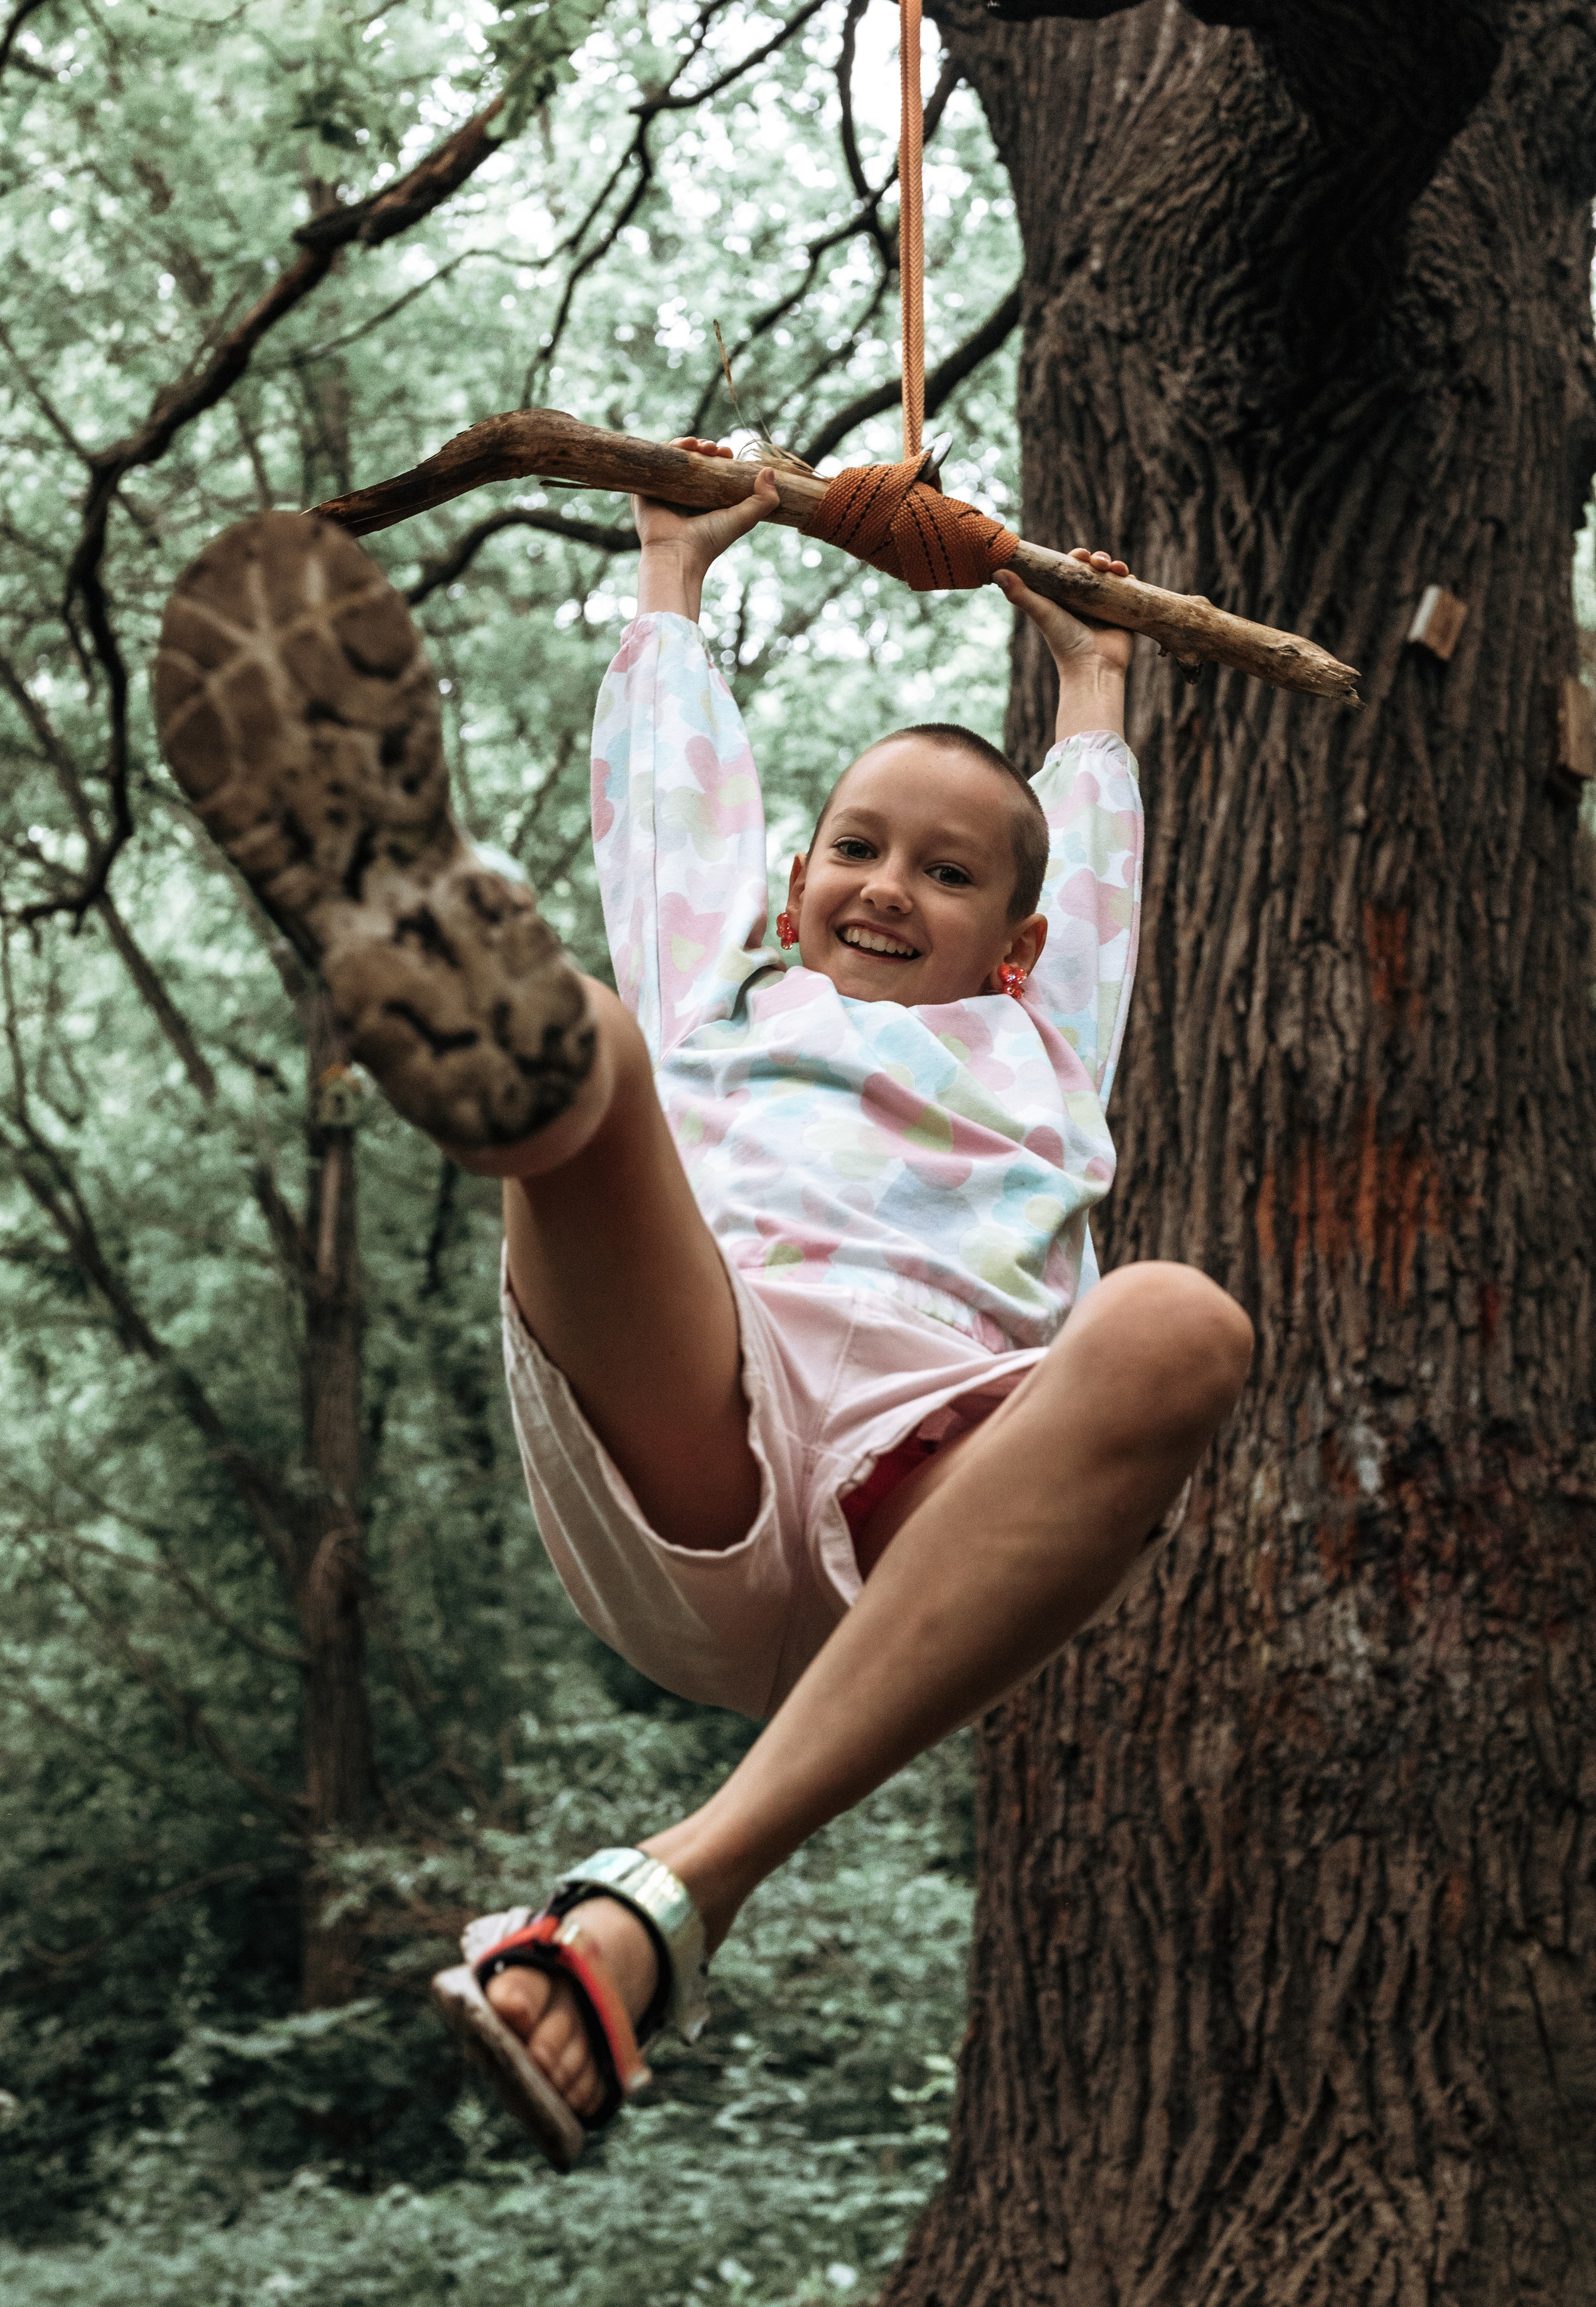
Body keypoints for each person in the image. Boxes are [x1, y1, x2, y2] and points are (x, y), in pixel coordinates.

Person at [154, 443, 1254, 2172]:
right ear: (793, 883)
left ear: (1020, 948)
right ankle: (443, 972)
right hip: (699, 1417)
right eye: (856, 849)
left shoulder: (1044, 1047)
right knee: (594, 1038)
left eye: (948, 873)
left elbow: (1097, 890)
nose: (886, 885)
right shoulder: (724, 1000)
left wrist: (1097, 687)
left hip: (930, 1506)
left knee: (1182, 1321)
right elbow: (671, 823)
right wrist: (667, 576)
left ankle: (666, 1898)